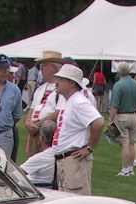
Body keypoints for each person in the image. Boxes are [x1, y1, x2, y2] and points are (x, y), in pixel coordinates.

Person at [51, 63, 103, 195]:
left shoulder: (79, 102)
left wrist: (89, 148)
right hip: (66, 161)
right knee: (66, 203)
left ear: (71, 83)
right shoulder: (70, 101)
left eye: (61, 79)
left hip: (74, 160)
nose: (57, 82)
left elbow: (98, 122)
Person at [25, 51, 65, 157]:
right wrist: (28, 122)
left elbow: (59, 112)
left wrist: (39, 124)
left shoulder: (63, 88)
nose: (41, 68)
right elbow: (32, 108)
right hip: (35, 133)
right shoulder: (40, 88)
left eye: (44, 65)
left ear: (54, 68)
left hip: (49, 135)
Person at [108, 62, 136, 177]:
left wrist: (110, 119)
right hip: (135, 116)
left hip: (122, 116)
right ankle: (131, 168)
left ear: (119, 72)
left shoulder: (118, 85)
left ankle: (124, 169)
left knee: (124, 144)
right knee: (133, 143)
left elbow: (114, 105)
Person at [20, 119, 57, 186]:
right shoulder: (60, 154)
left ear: (41, 137)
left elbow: (16, 174)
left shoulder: (40, 158)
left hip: (34, 189)